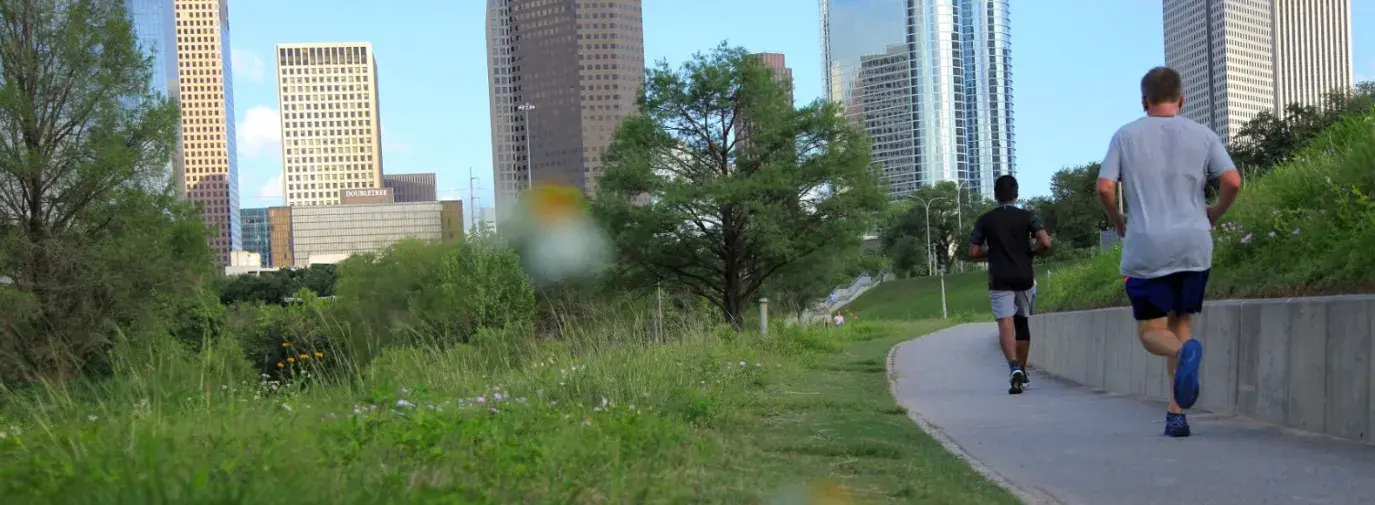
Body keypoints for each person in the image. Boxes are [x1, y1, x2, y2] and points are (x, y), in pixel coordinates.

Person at [1096, 66, 1243, 437]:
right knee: (1181, 325)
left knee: (1152, 333)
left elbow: (1104, 187)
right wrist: (1214, 213)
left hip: (1147, 246)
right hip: (1193, 244)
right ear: (1182, 98)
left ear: (1144, 100)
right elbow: (1232, 181)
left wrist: (1116, 218)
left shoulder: (1125, 135)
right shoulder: (1203, 135)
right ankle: (1177, 415)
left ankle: (1183, 356)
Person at [969, 175, 1052, 395]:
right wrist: (1030, 251)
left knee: (1005, 323)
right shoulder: (1028, 216)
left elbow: (973, 251)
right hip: (1024, 276)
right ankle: (1022, 370)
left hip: (999, 278)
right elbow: (1045, 242)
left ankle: (1013, 367)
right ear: (1016, 194)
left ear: (995, 194)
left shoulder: (986, 220)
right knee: (1022, 322)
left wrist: (992, 252)